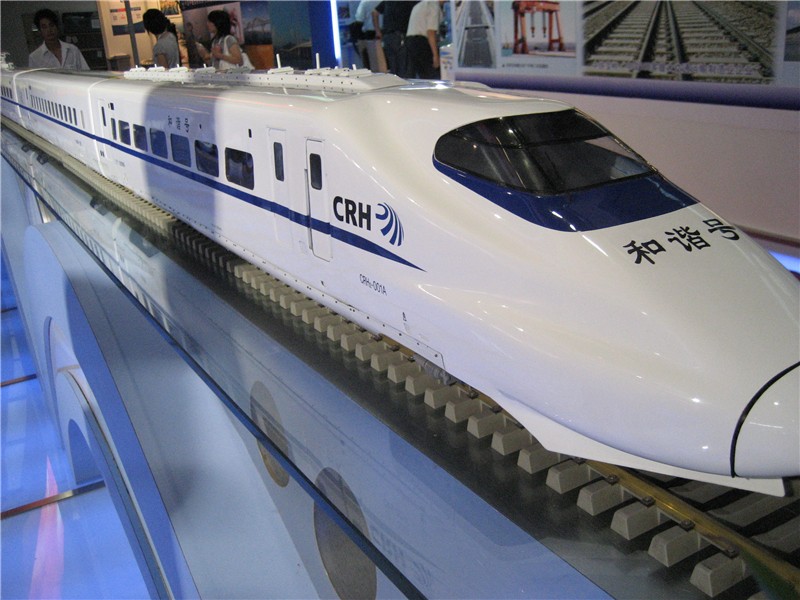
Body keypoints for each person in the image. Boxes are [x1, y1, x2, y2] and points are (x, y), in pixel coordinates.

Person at [376, 1, 418, 75]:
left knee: (393, 67)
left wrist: (377, 31)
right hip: (402, 36)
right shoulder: (411, 2)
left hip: (388, 36)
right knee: (405, 68)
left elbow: (374, 12)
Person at [405, 0, 444, 79]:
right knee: (431, 76)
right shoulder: (433, 5)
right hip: (421, 43)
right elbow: (431, 32)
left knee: (415, 75)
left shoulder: (419, 5)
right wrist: (435, 55)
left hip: (410, 42)